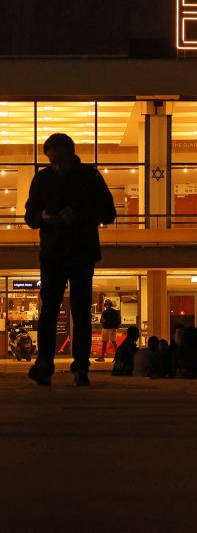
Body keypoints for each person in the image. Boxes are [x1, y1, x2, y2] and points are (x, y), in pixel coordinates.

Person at [24, 133, 117, 387]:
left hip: (76, 252)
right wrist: (43, 216)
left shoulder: (88, 177)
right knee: (51, 311)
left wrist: (79, 215)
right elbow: (29, 214)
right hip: (60, 253)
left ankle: (76, 366)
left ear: (72, 156)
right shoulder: (44, 178)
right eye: (52, 162)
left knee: (78, 311)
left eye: (60, 161)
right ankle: (49, 364)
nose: (57, 167)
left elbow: (109, 213)